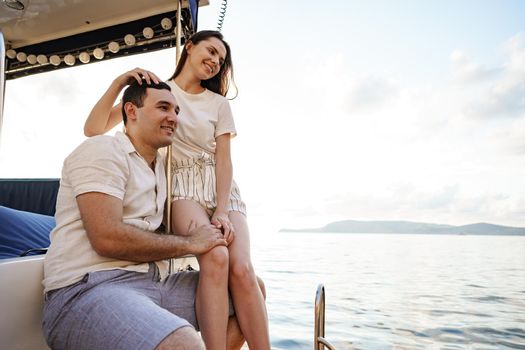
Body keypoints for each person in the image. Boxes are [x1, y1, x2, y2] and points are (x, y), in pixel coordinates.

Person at [84, 30, 271, 350]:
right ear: (189, 46)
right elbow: (93, 129)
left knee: (242, 269)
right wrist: (119, 83)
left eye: (221, 60)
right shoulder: (155, 92)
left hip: (221, 189)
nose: (214, 61)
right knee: (216, 254)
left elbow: (224, 161)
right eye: (210, 51)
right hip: (181, 188)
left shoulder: (219, 104)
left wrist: (224, 210)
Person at [42, 81, 246, 350]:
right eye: (163, 107)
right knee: (183, 344)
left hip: (152, 284)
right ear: (131, 111)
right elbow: (107, 237)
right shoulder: (102, 150)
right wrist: (189, 243)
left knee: (247, 295)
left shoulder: (163, 169)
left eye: (176, 110)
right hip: (86, 289)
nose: (173, 117)